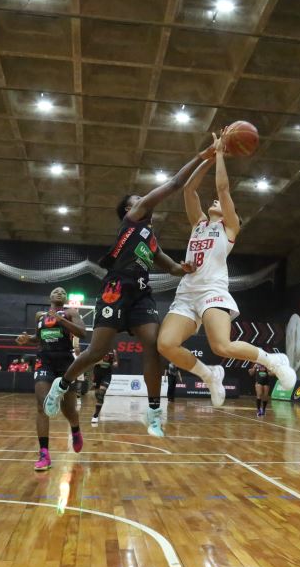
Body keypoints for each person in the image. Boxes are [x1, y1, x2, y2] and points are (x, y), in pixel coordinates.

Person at [43, 141, 217, 438]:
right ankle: (62, 385)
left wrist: (187, 266)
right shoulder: (133, 218)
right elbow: (176, 183)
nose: (143, 200)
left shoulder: (149, 239)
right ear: (130, 207)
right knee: (97, 351)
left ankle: (153, 413)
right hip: (115, 289)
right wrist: (202, 156)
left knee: (153, 345)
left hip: (140, 294)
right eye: (138, 199)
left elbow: (171, 267)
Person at [157, 131, 295, 413]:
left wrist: (221, 153)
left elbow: (222, 189)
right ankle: (210, 375)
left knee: (222, 346)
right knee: (166, 344)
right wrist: (207, 156)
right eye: (217, 205)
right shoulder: (199, 224)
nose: (216, 203)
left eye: (222, 206)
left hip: (212, 292)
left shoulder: (229, 228)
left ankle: (273, 361)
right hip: (187, 293)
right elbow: (189, 190)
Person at [17, 286, 86, 471]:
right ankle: (44, 454)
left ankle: (75, 426)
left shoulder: (71, 312)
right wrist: (27, 339)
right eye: (56, 291)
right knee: (42, 406)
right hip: (44, 361)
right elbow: (38, 338)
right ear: (50, 296)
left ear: (65, 299)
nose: (59, 292)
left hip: (65, 362)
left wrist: (62, 320)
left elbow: (82, 332)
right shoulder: (40, 315)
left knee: (68, 409)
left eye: (63, 292)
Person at [90, 350, 118, 425]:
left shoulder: (113, 351)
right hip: (97, 374)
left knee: (101, 394)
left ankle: (95, 416)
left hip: (107, 375)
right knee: (97, 394)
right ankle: (99, 405)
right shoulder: (99, 349)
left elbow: (116, 363)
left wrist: (115, 364)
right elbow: (91, 362)